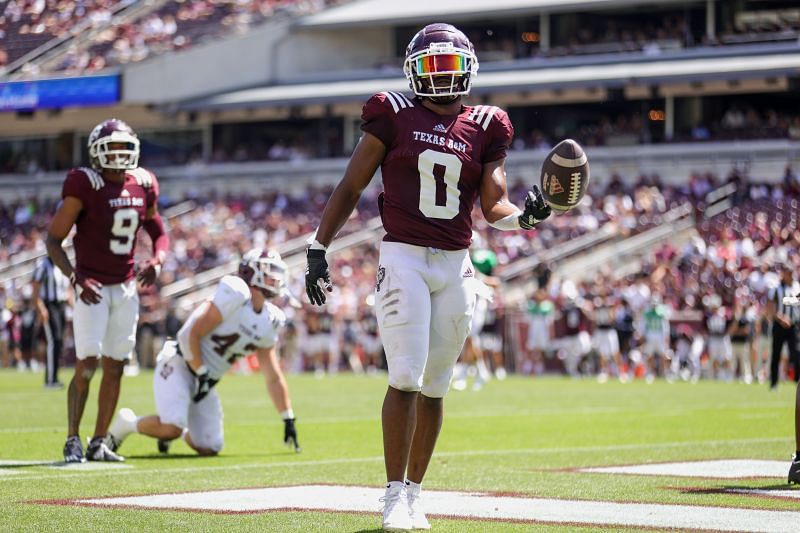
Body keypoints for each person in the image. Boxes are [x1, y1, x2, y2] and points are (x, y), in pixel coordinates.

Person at [304, 22, 551, 531]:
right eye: (432, 67)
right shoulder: (391, 113)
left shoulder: (487, 124)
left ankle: (416, 492)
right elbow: (352, 185)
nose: (441, 78)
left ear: (469, 71)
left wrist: (525, 216)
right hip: (404, 258)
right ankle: (394, 494)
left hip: (456, 261)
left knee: (437, 384)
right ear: (414, 71)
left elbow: (493, 204)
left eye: (450, 67)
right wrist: (318, 245)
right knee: (404, 376)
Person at [46, 118, 169, 463]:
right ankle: (72, 439)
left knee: (115, 367)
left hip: (126, 287)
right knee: (87, 365)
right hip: (93, 288)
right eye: (110, 147)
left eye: (123, 148)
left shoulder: (144, 182)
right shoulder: (84, 183)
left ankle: (98, 441)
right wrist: (75, 277)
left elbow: (159, 232)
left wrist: (158, 260)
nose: (117, 154)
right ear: (97, 151)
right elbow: (53, 241)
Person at [107, 249, 300, 456]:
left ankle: (174, 431)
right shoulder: (236, 294)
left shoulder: (269, 319)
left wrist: (287, 416)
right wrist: (201, 372)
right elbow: (189, 335)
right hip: (180, 363)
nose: (275, 278)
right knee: (171, 427)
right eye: (269, 271)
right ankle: (126, 424)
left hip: (205, 380)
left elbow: (272, 376)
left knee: (210, 446)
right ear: (251, 273)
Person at [31, 254, 71, 388]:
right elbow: (35, 289)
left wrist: (73, 307)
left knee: (59, 341)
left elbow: (67, 289)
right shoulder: (43, 265)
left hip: (61, 306)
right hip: (49, 305)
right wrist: (41, 308)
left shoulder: (61, 266)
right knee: (53, 341)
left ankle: (54, 377)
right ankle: (50, 379)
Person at [766, 263, 800, 390]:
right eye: (788, 273)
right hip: (779, 325)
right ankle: (774, 383)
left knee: (796, 353)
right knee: (776, 354)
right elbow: (770, 307)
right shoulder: (775, 288)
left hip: (793, 325)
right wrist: (781, 318)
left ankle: (797, 381)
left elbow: (794, 303)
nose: (790, 275)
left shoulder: (796, 286)